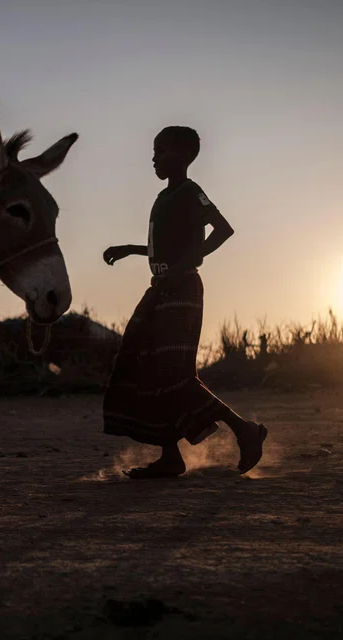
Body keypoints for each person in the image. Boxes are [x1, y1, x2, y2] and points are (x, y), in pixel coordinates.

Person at [101, 126, 267, 478]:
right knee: (146, 367)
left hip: (183, 291)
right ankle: (170, 456)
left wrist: (182, 267)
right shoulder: (164, 198)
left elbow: (223, 229)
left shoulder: (191, 192)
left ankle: (245, 430)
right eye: (154, 151)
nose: (154, 158)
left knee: (174, 373)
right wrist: (132, 250)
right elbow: (167, 246)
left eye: (160, 151)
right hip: (161, 289)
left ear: (182, 156)